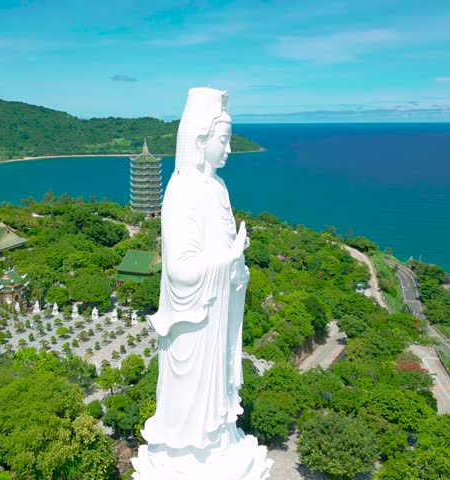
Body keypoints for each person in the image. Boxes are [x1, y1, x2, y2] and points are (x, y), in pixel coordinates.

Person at [135, 88, 270, 479]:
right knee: (190, 396)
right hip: (193, 322)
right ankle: (188, 450)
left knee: (218, 394)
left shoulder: (217, 188)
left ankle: (218, 436)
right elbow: (180, 270)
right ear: (200, 141)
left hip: (216, 313)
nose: (228, 150)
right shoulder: (183, 191)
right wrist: (230, 256)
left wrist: (236, 266)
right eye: (223, 141)